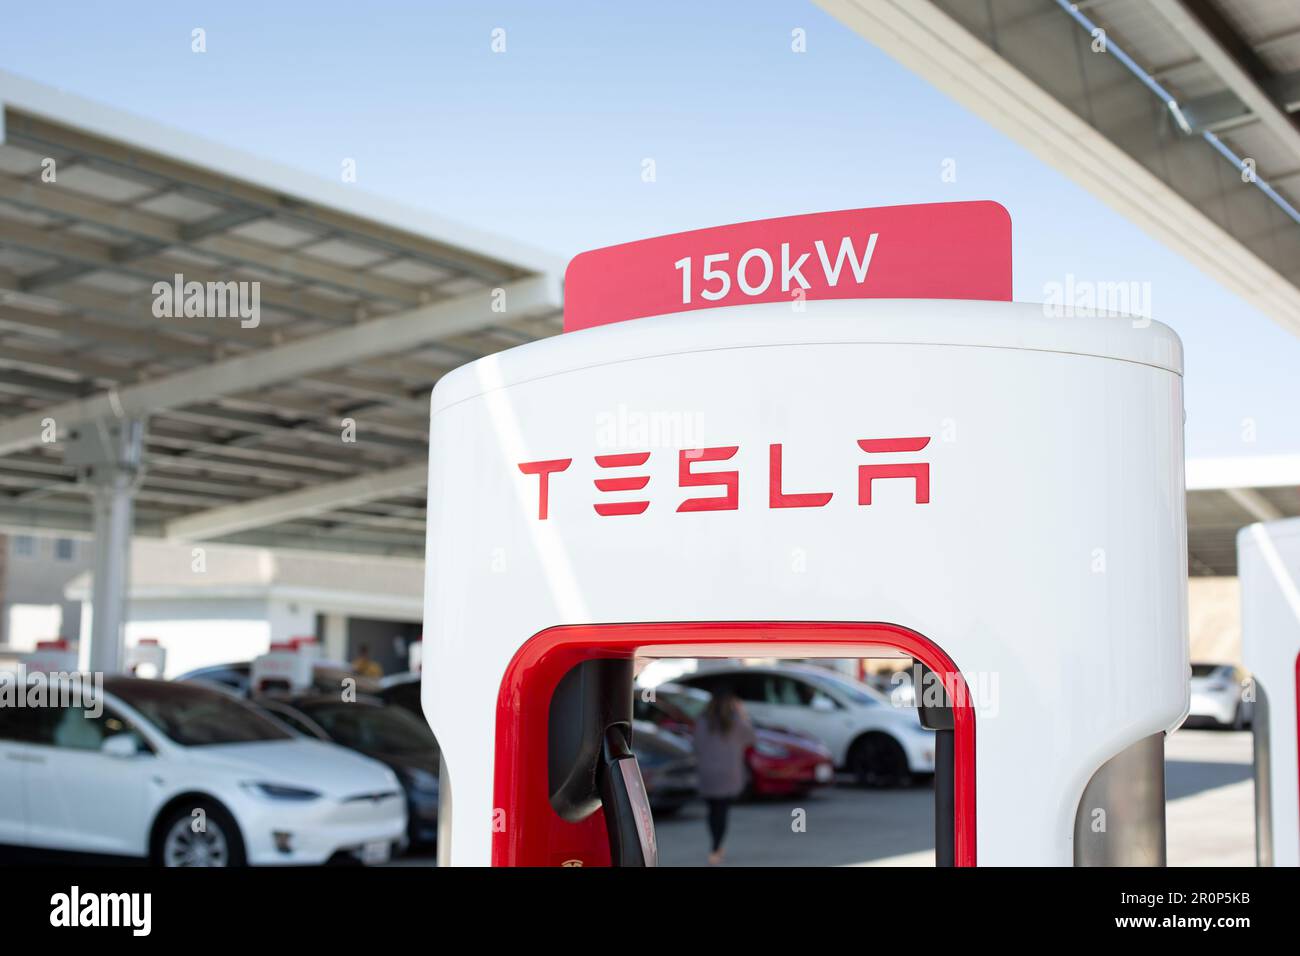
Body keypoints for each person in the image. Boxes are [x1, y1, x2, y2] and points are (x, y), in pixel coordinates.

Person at [692, 685, 755, 865]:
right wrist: (743, 714)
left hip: (707, 773)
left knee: (713, 811)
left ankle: (715, 846)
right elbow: (751, 738)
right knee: (722, 811)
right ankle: (716, 847)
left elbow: (696, 745)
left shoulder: (703, 720)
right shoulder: (736, 720)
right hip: (729, 774)